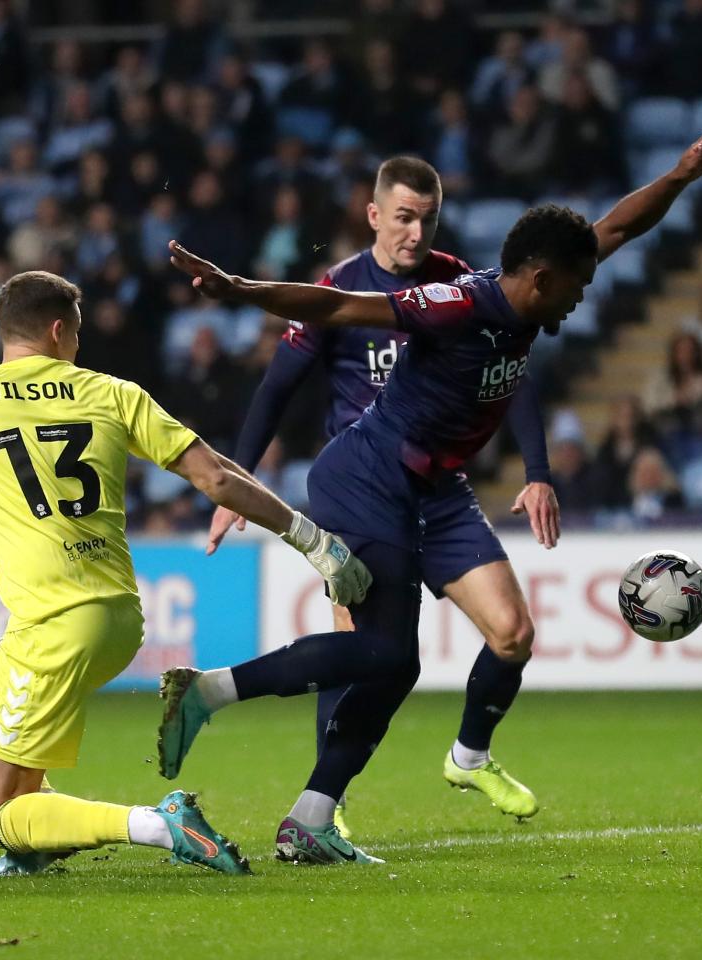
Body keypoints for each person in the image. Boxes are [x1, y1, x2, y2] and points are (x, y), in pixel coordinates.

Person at [161, 133, 702, 866]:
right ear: (543, 277)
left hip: (435, 487)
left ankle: (313, 818)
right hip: (366, 478)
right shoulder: (455, 303)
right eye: (579, 284)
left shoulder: (532, 290)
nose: (586, 293)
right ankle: (206, 693)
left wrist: (681, 176)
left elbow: (617, 226)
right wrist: (240, 290)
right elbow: (337, 308)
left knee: (411, 659)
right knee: (379, 651)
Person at [0, 270, 371, 878]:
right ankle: (38, 835)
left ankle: (156, 824)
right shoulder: (111, 393)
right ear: (58, 330)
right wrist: (312, 540)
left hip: (52, 627)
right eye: (75, 333)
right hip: (118, 618)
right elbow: (220, 479)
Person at [204, 156, 556, 835]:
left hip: (441, 490)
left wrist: (537, 469)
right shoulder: (338, 289)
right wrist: (236, 484)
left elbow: (514, 374)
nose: (415, 232)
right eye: (402, 217)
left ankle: (471, 755)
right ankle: (323, 813)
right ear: (373, 216)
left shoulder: (461, 282)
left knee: (512, 634)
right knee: (365, 655)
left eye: (427, 218)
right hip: (365, 490)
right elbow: (277, 389)